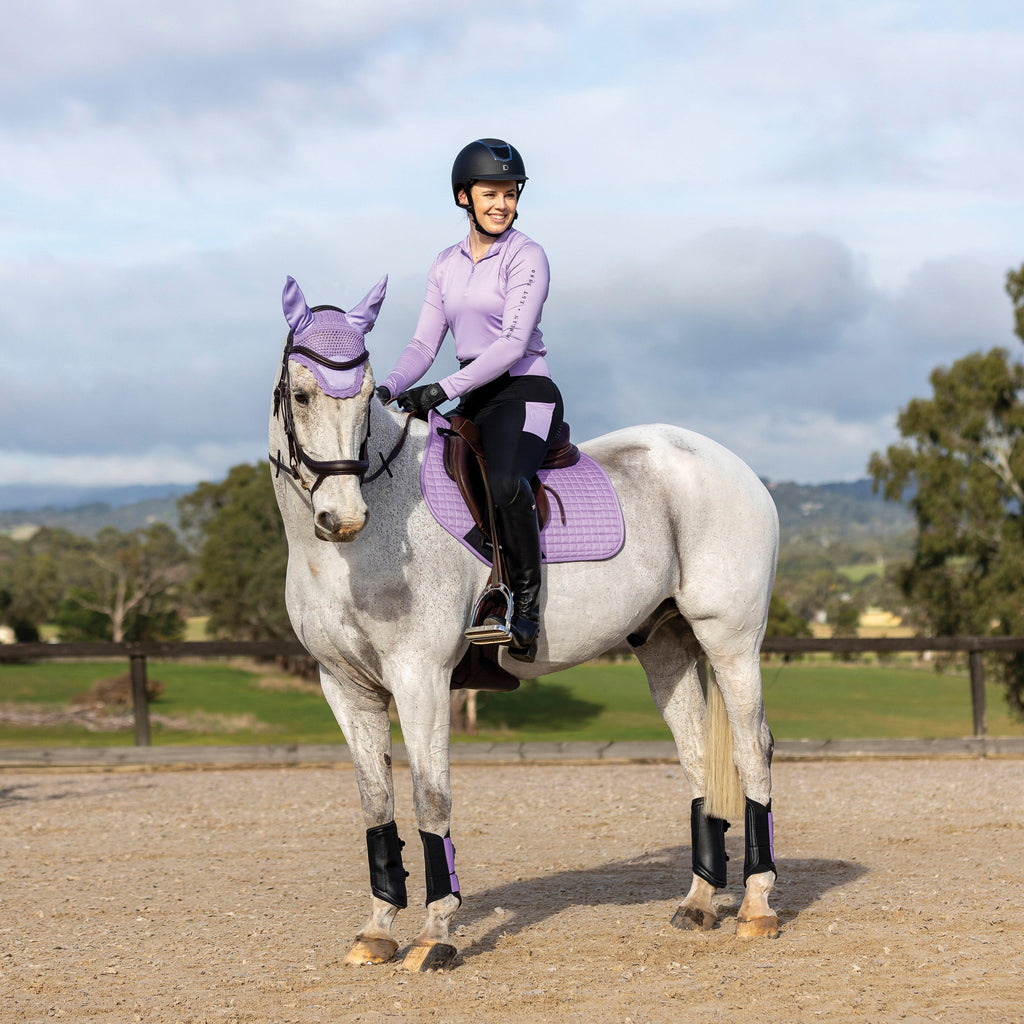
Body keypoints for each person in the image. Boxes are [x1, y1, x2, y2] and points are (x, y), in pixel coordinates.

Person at [375, 138, 563, 663]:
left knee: (506, 481)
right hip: (473, 396)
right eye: (490, 193)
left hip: (524, 391)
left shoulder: (527, 256)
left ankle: (525, 610)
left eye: (510, 193)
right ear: (464, 197)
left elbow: (509, 344)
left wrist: (441, 390)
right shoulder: (444, 264)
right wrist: (387, 389)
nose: (502, 204)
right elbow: (422, 344)